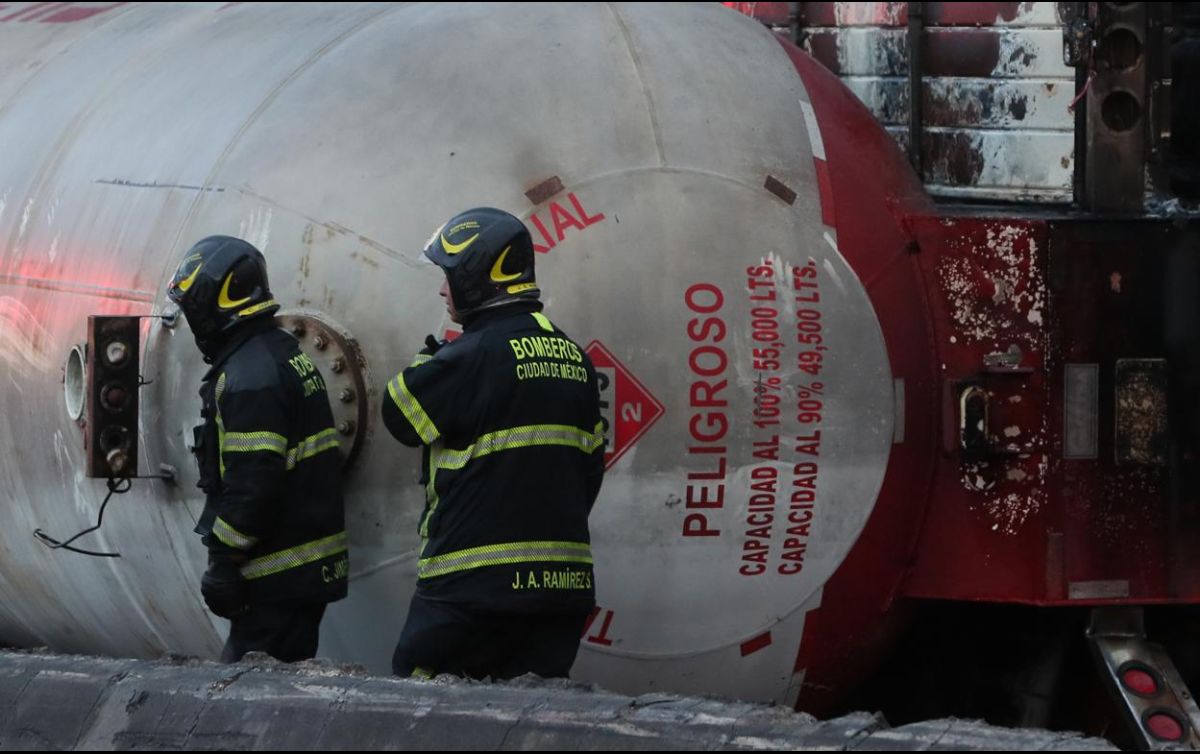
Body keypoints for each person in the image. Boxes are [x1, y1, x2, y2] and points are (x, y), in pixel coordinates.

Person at [382, 207, 605, 680]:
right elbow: (590, 472)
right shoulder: (575, 360)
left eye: (448, 274)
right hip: (561, 590)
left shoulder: (472, 356)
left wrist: (430, 362)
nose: (443, 290)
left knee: (419, 710)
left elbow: (398, 416)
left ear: (476, 276)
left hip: (471, 588)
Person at [166, 236, 348, 663]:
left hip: (278, 574)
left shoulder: (250, 377)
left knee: (240, 697)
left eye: (195, 309)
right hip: (301, 568)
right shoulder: (281, 352)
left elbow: (253, 482)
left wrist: (224, 560)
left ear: (217, 306)